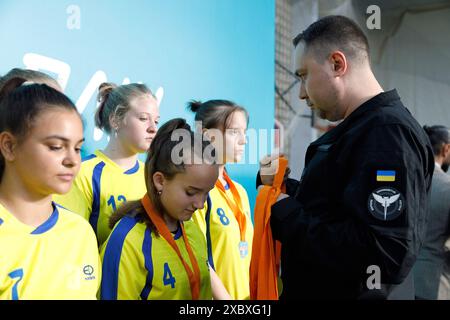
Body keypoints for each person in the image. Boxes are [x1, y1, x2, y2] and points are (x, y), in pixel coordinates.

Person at [259, 15, 434, 299]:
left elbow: (385, 252)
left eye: (303, 76)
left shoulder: (387, 133)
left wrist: (288, 215)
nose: (301, 94)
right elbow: (338, 208)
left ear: (337, 64)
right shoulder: (366, 129)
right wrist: (284, 192)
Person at [100, 118, 230, 300]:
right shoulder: (127, 240)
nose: (200, 204)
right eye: (191, 192)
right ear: (160, 181)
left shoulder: (192, 229)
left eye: (206, 193)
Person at [0, 77, 100, 299]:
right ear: (9, 146)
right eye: (56, 147)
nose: (72, 160)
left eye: (77, 148)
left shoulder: (81, 232)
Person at [54, 82, 159, 246]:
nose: (153, 128)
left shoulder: (154, 178)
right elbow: (68, 239)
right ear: (115, 120)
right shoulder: (83, 171)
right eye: (143, 118)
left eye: (156, 121)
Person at [188, 100, 254, 300]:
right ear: (208, 136)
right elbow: (197, 257)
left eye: (245, 132)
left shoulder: (240, 192)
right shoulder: (195, 191)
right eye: (234, 132)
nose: (244, 140)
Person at [413, 125, 450, 299]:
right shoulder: (447, 188)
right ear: (446, 148)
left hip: (393, 283)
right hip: (432, 284)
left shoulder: (402, 181)